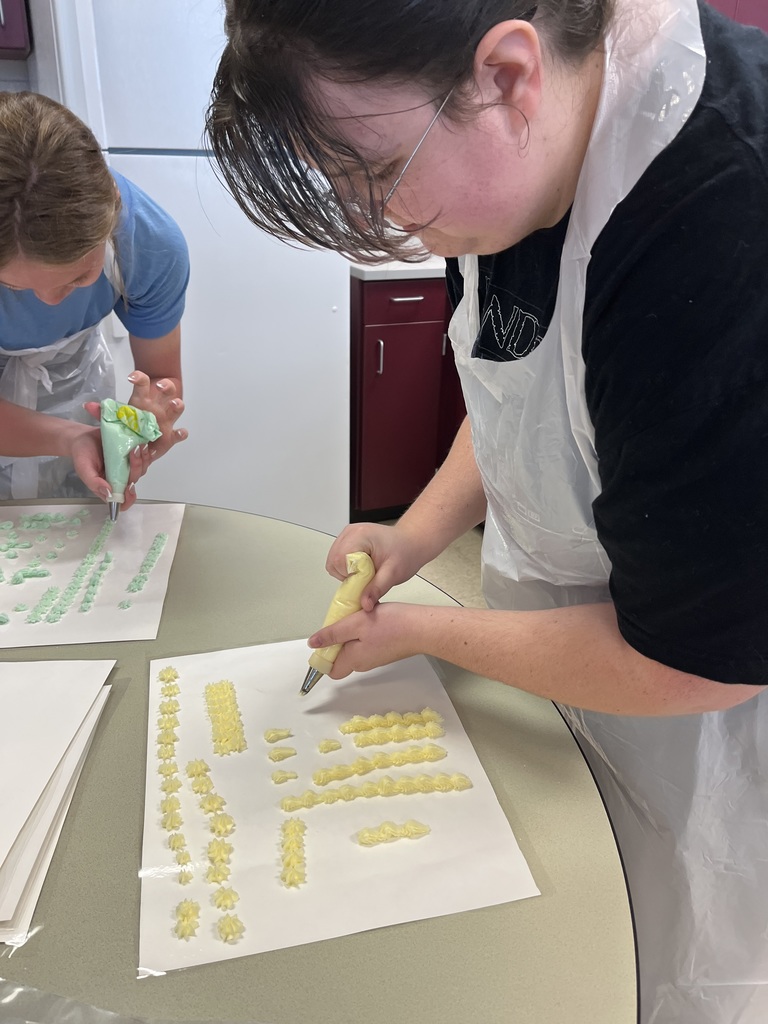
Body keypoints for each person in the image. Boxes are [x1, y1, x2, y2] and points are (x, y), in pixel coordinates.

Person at [206, 2, 768, 1021]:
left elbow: (695, 664)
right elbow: (527, 376)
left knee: (672, 964)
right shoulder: (516, 150)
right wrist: (413, 534)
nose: (383, 222)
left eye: (376, 177)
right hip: (560, 661)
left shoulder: (722, 227)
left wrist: (424, 630)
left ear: (507, 76)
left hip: (702, 713)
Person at [0, 91, 189, 509]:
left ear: (113, 213)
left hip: (72, 380)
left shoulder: (149, 246)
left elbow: (160, 378)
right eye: (14, 287)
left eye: (78, 277)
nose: (49, 302)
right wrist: (70, 437)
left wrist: (145, 419)